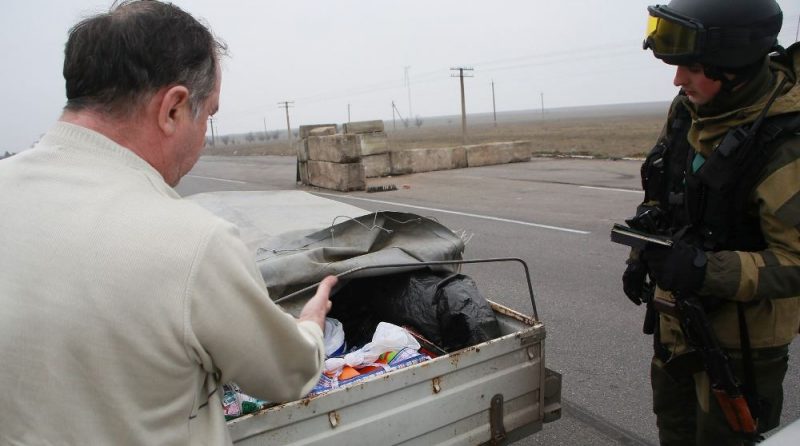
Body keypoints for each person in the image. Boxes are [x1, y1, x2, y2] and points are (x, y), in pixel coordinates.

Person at [0, 1, 337, 444]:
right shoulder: (193, 243)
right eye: (209, 115)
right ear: (174, 109)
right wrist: (310, 326)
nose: (205, 135)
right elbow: (284, 374)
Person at [623, 0, 800, 444]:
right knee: (675, 431)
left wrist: (705, 270)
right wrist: (641, 250)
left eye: (693, 68)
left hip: (741, 347)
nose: (678, 80)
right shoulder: (689, 111)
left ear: (735, 67)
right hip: (675, 323)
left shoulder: (784, 144)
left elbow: (795, 261)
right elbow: (663, 190)